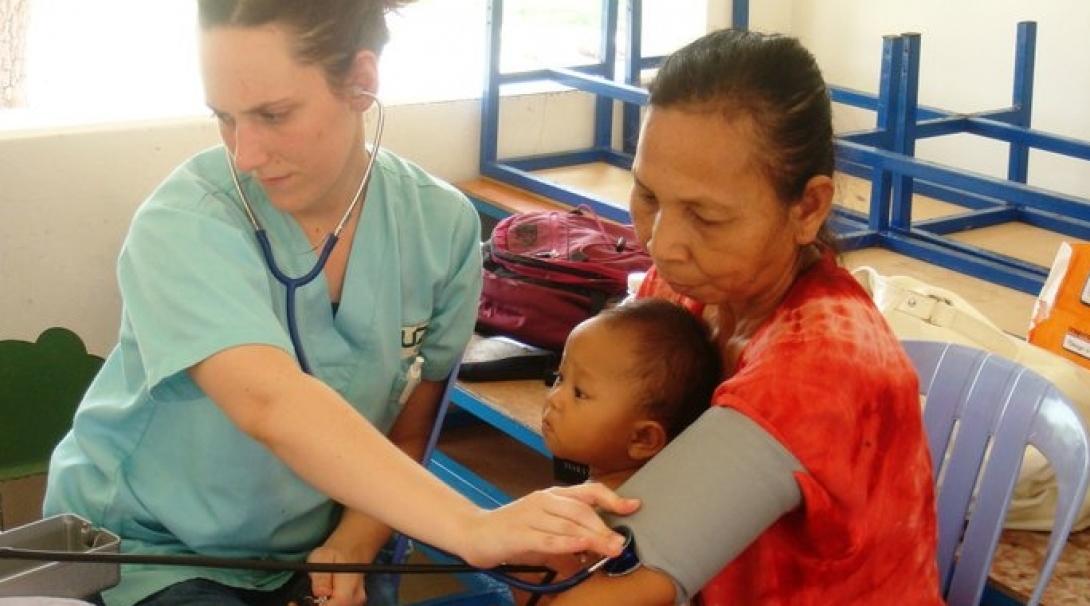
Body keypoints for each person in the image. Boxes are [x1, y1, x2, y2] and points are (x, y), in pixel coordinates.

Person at [42, 2, 636, 605]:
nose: (244, 153)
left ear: (361, 82)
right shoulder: (184, 223)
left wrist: (355, 537)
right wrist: (470, 526)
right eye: (224, 117)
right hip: (146, 549)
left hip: (313, 547)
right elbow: (270, 401)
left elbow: (409, 430)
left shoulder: (440, 226)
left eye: (274, 114)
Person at [547, 28, 944, 605]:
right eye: (648, 196)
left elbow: (596, 591)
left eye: (705, 217)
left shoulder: (820, 368)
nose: (662, 244)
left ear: (807, 207)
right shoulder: (694, 287)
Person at [512, 299, 721, 606]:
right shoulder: (603, 502)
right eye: (559, 378)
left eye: (579, 392)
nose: (554, 398)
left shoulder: (626, 532)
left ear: (643, 438)